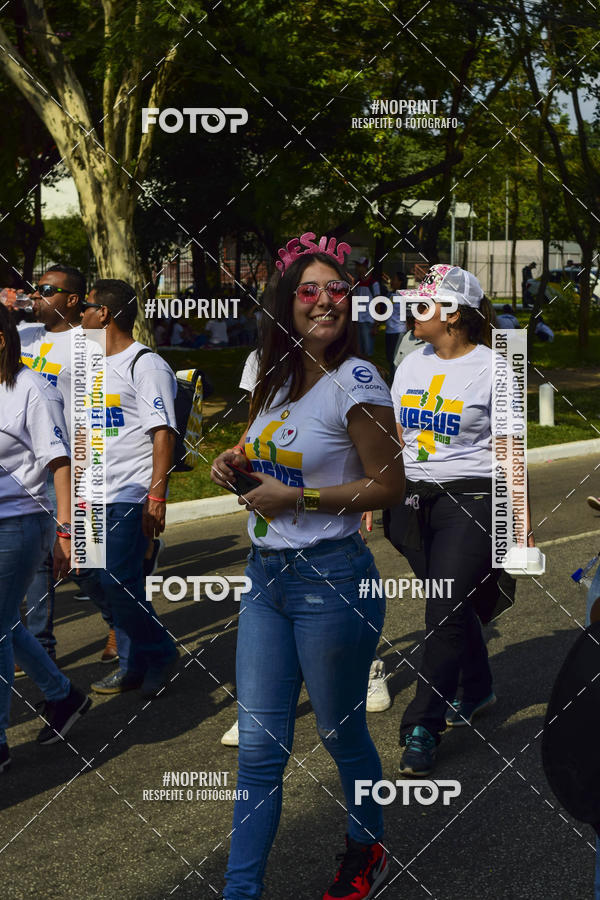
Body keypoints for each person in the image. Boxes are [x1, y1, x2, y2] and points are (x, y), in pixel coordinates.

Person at [211, 237, 405, 900]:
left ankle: (366, 846)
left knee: (339, 731)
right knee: (260, 752)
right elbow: (262, 451)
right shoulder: (273, 374)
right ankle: (241, 892)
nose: (325, 301)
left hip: (333, 578)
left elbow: (390, 486)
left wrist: (298, 497)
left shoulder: (358, 381)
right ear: (286, 304)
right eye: (309, 291)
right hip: (265, 578)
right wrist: (236, 463)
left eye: (336, 291)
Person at [386, 264, 535, 777]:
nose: (411, 310)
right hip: (408, 502)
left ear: (451, 314)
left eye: (421, 304)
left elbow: (511, 448)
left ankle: (423, 726)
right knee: (451, 607)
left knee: (443, 609)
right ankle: (478, 687)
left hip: (471, 500)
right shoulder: (409, 361)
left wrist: (519, 521)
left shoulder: (498, 368)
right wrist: (373, 493)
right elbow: (394, 436)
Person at [75, 279, 179, 697]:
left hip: (129, 492)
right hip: (90, 493)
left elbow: (163, 432)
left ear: (104, 314)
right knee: (87, 577)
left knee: (119, 581)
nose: (79, 313)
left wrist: (157, 494)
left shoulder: (146, 365)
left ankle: (158, 654)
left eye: (85, 306)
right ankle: (135, 659)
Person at [0, 304, 90, 771]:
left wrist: (66, 531)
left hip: (19, 524)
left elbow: (61, 464)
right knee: (5, 625)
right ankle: (63, 696)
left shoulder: (32, 390)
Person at [352, 256, 380, 357]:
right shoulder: (357, 282)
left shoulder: (373, 283)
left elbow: (377, 303)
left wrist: (376, 324)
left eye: (359, 266)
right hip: (358, 321)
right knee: (358, 351)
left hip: (368, 321)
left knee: (367, 352)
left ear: (365, 267)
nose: (356, 268)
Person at [384, 271, 408, 381]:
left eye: (394, 279)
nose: (391, 281)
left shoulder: (406, 296)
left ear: (401, 282)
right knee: (389, 357)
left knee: (396, 357)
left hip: (399, 331)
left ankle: (396, 380)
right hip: (389, 331)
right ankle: (393, 378)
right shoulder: (390, 294)